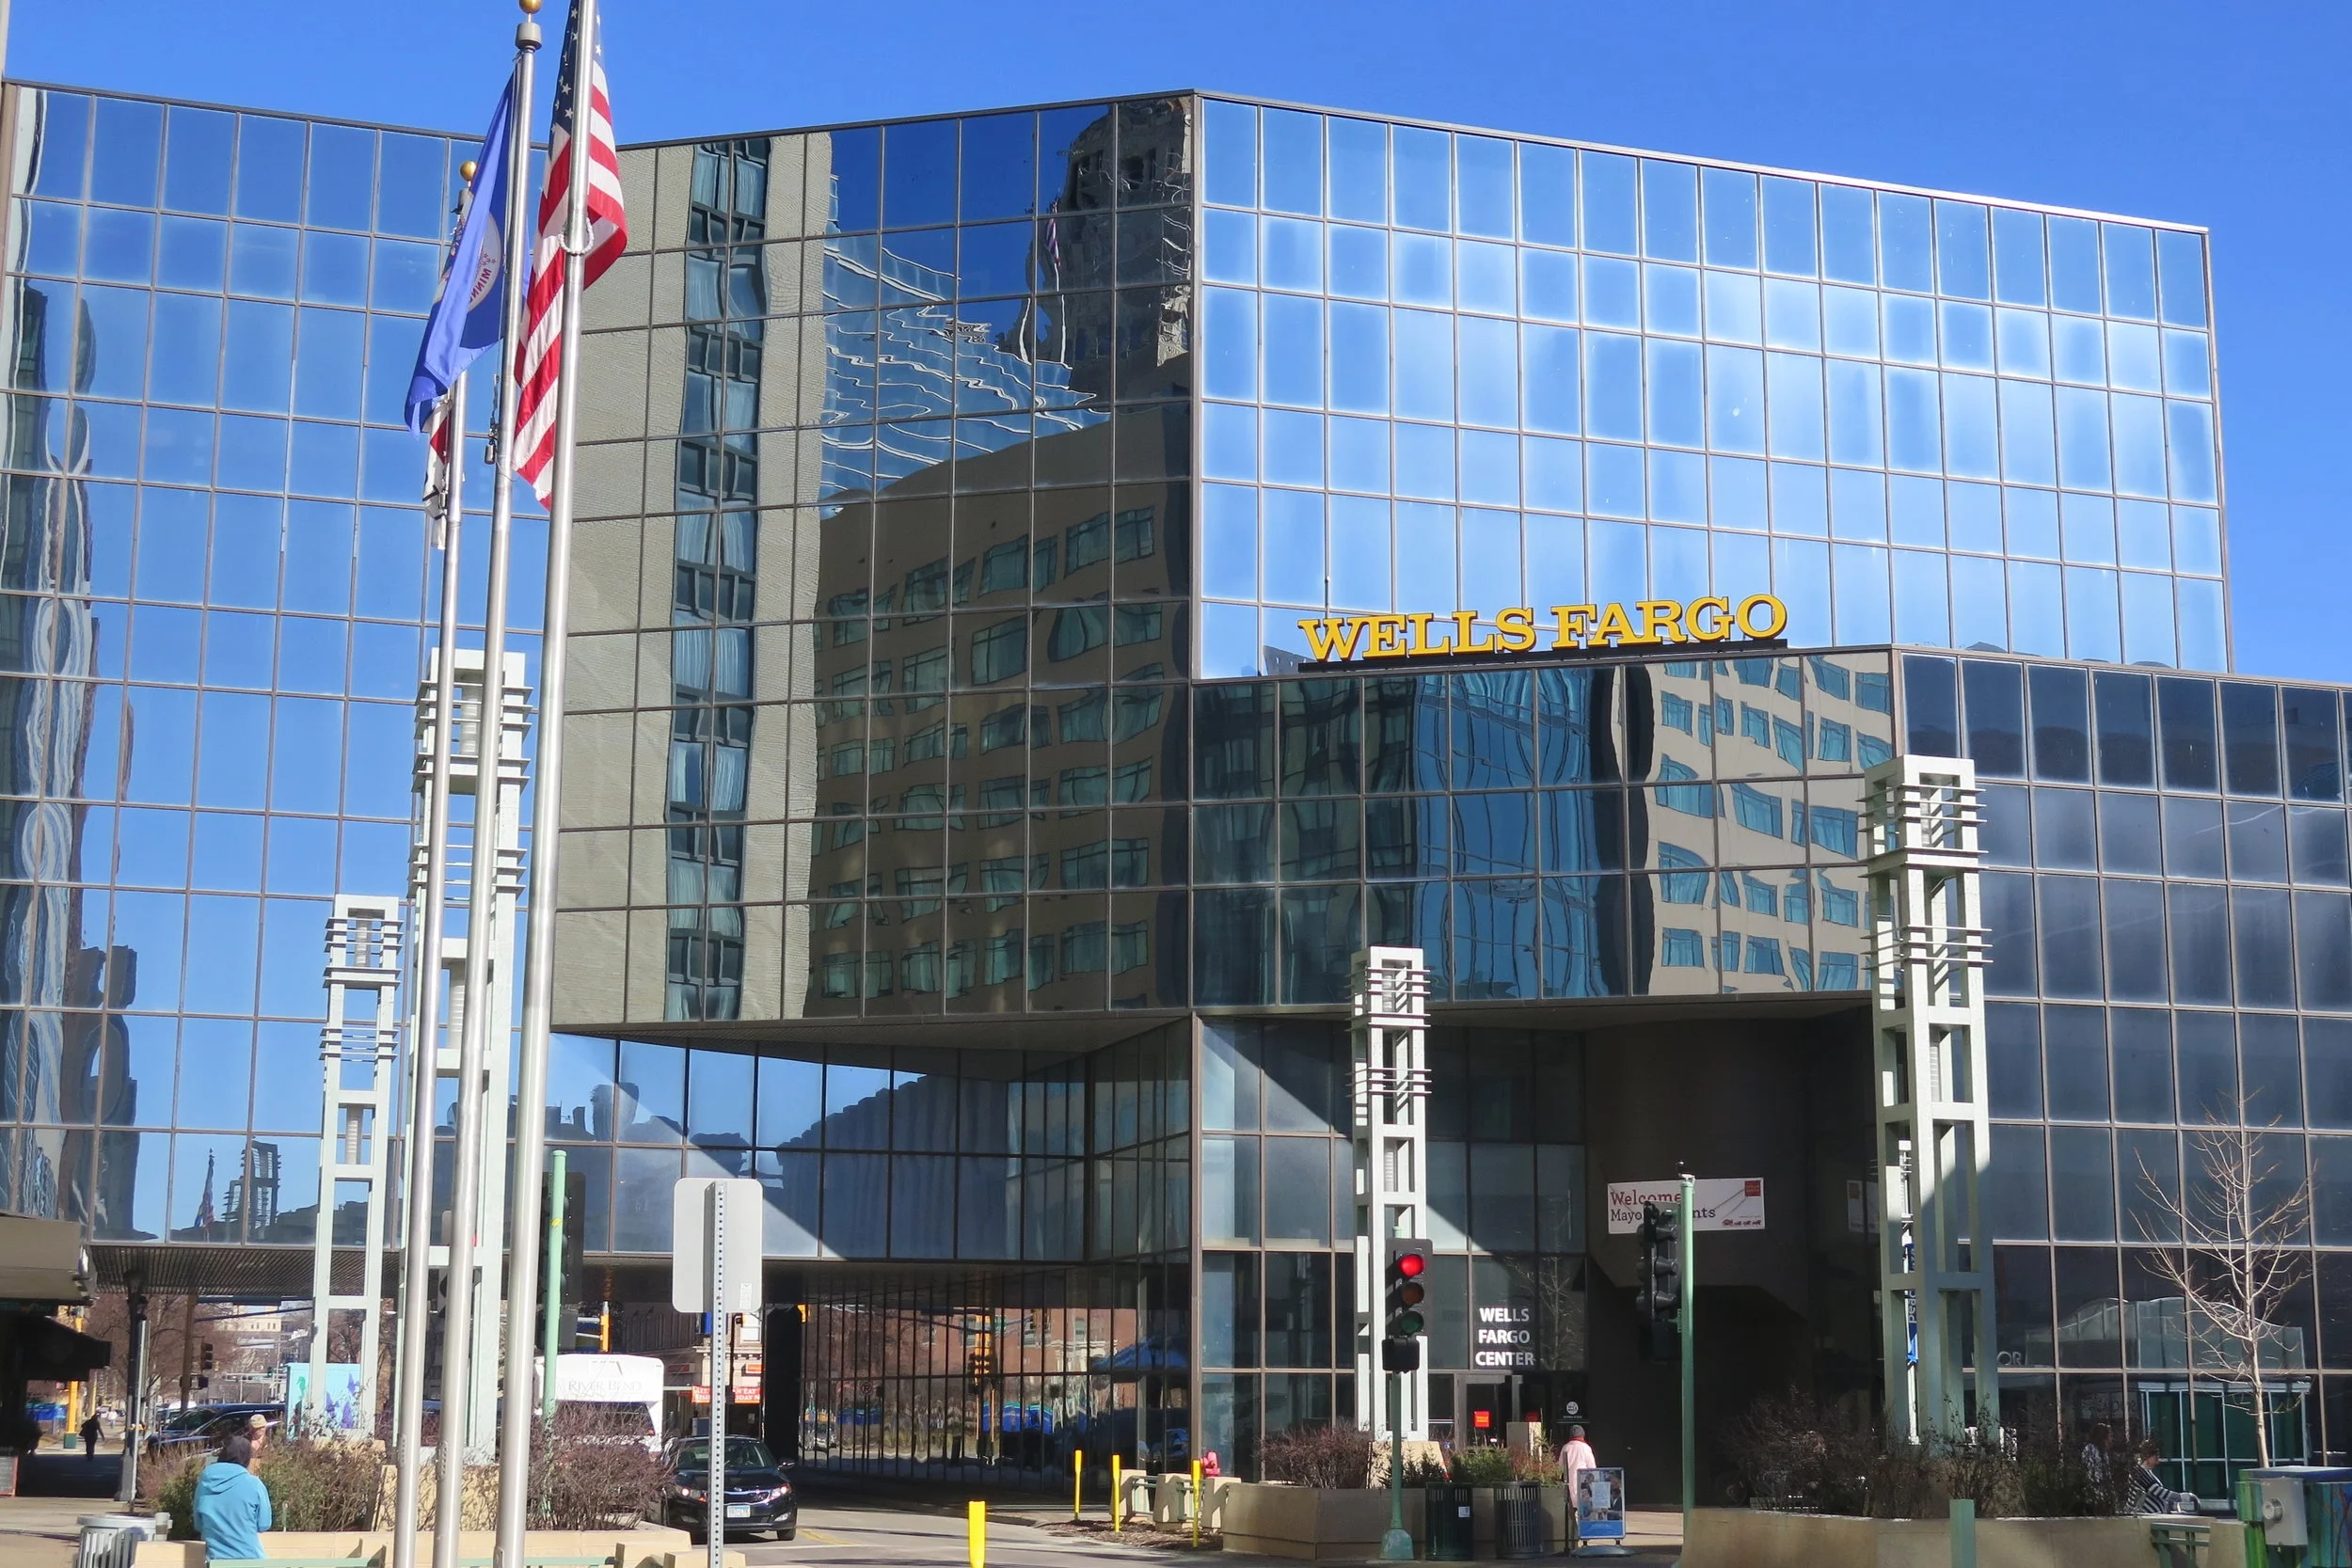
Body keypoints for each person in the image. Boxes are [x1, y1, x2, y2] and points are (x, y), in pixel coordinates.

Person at [193, 1433, 272, 1562]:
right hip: (251, 1559)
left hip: (215, 1560)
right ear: (247, 1458)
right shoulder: (255, 1484)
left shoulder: (204, 1484)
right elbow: (264, 1524)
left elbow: (199, 1525)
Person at [2126, 1439, 2198, 1515]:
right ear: (2147, 1457)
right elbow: (2158, 1491)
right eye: (2155, 1458)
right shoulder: (2140, 1472)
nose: (2157, 1462)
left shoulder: (2146, 1472)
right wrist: (2182, 1497)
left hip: (2151, 1516)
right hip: (2145, 1517)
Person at [1558, 1425, 1597, 1546]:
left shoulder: (1565, 1448)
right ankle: (1584, 1537)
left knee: (1572, 1512)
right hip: (1583, 1484)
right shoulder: (1585, 1448)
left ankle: (1574, 1537)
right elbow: (1592, 1468)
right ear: (1582, 1435)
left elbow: (1559, 1467)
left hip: (1569, 1485)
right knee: (1584, 1511)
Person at [2079, 1422, 2112, 1489]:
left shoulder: (2103, 1452)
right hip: (2094, 1487)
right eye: (2109, 1436)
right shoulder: (2090, 1449)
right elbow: (2093, 1471)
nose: (2110, 1440)